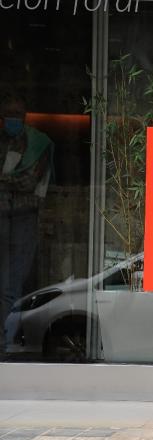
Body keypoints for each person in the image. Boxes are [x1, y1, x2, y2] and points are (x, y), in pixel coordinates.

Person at [0, 94, 53, 351]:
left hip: (23, 217)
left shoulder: (37, 143)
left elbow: (30, 181)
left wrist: (4, 181)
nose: (13, 119)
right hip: (2, 216)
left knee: (14, 281)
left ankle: (6, 337)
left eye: (17, 115)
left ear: (25, 117)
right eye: (8, 114)